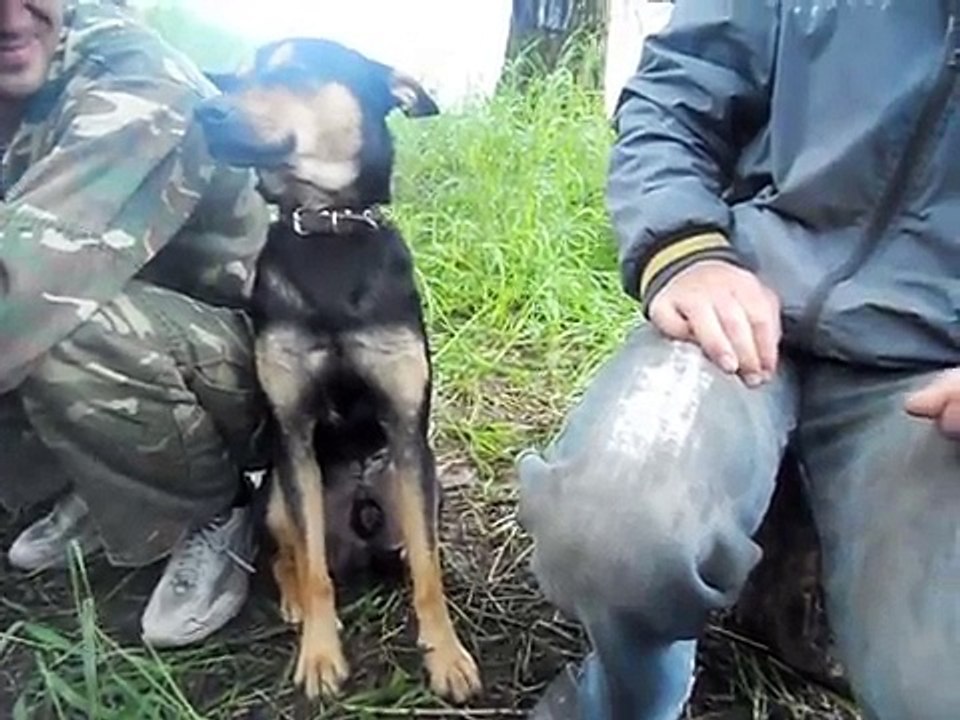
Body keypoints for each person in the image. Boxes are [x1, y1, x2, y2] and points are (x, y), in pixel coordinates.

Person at [519, 2, 960, 719]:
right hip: (747, 307)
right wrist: (686, 248)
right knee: (611, 532)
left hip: (933, 373)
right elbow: (674, 94)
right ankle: (629, 697)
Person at [0, 0, 270, 648]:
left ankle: (215, 509)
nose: (13, 19)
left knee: (60, 329)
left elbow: (21, 293)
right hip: (135, 312)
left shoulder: (137, 82)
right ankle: (101, 481)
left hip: (267, 369)